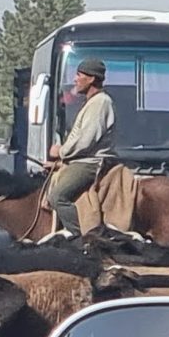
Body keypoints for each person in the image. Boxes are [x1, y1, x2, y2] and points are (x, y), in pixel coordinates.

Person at [45, 57, 117, 237]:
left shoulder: (101, 102)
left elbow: (85, 140)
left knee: (57, 197)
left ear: (91, 78)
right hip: (79, 160)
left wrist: (60, 151)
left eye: (79, 75)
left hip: (89, 163)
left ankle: (80, 239)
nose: (75, 79)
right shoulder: (92, 102)